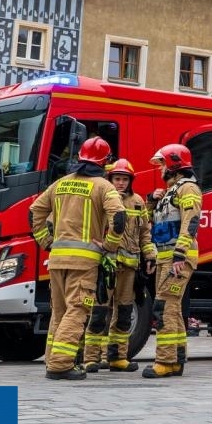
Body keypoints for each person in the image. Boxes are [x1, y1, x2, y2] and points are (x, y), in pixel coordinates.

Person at [29, 136, 127, 380]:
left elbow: (34, 212)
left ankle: (52, 360)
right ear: (104, 162)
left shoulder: (60, 184)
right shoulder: (104, 187)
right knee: (78, 310)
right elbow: (119, 218)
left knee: (59, 312)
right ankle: (61, 365)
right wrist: (109, 246)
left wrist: (45, 241)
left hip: (57, 258)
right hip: (84, 262)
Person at [83, 158, 156, 373]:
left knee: (124, 312)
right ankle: (90, 358)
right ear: (110, 179)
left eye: (124, 179)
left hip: (129, 266)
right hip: (106, 265)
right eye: (117, 178)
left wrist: (150, 256)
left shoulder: (138, 202)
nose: (121, 183)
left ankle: (116, 357)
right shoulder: (101, 198)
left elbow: (145, 233)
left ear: (130, 181)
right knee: (98, 312)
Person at [144, 143, 202, 378]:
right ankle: (177, 359)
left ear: (173, 165)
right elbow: (150, 222)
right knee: (173, 308)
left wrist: (179, 255)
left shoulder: (187, 188)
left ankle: (165, 361)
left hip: (177, 259)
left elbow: (192, 222)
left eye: (162, 165)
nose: (160, 170)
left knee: (164, 307)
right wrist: (151, 200)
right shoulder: (171, 192)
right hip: (165, 258)